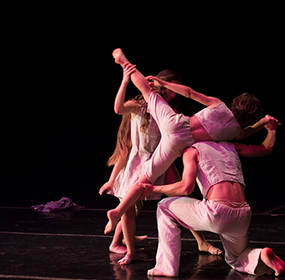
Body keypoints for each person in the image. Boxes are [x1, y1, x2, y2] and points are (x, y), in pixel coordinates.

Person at [104, 48, 271, 234]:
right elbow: (247, 133)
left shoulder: (219, 104)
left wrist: (162, 83)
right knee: (145, 179)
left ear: (235, 102)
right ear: (248, 117)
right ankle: (117, 211)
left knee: (146, 90)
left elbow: (190, 93)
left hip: (174, 124)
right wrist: (262, 123)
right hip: (179, 143)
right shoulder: (235, 132)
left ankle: (123, 61)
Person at [99, 64, 221, 265]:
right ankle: (126, 249)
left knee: (182, 197)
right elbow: (118, 109)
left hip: (161, 160)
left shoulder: (170, 111)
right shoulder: (141, 106)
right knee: (129, 208)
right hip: (142, 162)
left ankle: (201, 241)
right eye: (170, 89)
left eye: (175, 90)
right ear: (159, 86)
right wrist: (125, 80)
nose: (173, 94)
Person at [140, 117, 285, 277]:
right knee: (236, 258)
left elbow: (185, 187)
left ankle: (166, 267)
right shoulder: (231, 146)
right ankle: (260, 254)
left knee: (164, 206)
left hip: (217, 212)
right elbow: (266, 148)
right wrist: (271, 129)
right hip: (243, 214)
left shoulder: (193, 150)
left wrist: (154, 188)